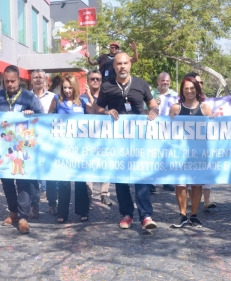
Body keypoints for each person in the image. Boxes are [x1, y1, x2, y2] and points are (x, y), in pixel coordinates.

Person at [93, 53, 160, 230]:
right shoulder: (106, 86)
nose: (122, 66)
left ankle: (146, 216)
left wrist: (154, 111)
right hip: (117, 140)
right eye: (119, 64)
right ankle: (127, 214)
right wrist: (105, 112)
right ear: (113, 66)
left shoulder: (141, 83)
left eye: (125, 63)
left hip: (139, 140)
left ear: (130, 65)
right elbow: (98, 107)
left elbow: (152, 104)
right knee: (121, 179)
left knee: (141, 177)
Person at [0, 65, 42, 234]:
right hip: (3, 148)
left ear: (19, 80)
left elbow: (42, 118)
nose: (10, 84)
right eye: (7, 81)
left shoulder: (29, 97)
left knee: (23, 182)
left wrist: (32, 113)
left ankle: (23, 217)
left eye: (13, 81)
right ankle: (13, 211)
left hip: (23, 148)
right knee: (6, 182)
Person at [169, 77, 213, 228]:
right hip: (180, 154)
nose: (189, 91)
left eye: (192, 88)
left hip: (199, 154)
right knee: (180, 185)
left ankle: (194, 215)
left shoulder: (205, 108)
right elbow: (167, 130)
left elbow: (212, 132)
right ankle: (182, 215)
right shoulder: (176, 108)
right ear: (182, 90)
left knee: (196, 185)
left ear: (197, 89)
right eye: (186, 88)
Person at [48, 74, 91, 222]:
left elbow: (95, 115)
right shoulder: (57, 101)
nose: (67, 91)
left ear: (75, 88)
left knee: (80, 181)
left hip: (79, 148)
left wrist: (90, 96)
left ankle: (83, 211)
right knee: (63, 181)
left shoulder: (83, 102)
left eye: (69, 88)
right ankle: (62, 213)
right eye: (65, 88)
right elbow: (48, 118)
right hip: (62, 148)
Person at [184, 72, 216, 209]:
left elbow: (213, 125)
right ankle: (191, 201)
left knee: (203, 175)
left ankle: (206, 201)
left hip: (202, 148)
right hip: (185, 149)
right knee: (189, 176)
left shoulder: (205, 106)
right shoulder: (177, 106)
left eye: (199, 83)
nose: (198, 86)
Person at [81, 70, 113, 206]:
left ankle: (104, 194)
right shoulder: (82, 97)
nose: (95, 81)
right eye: (92, 79)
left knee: (105, 164)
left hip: (105, 136)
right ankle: (88, 194)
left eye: (98, 79)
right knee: (88, 165)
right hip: (88, 137)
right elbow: (94, 111)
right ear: (88, 81)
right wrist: (89, 95)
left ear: (101, 81)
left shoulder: (107, 97)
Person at [30, 69, 56, 216]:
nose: (38, 79)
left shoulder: (53, 97)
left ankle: (53, 204)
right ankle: (35, 205)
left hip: (49, 140)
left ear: (45, 80)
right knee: (34, 174)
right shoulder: (26, 96)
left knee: (50, 173)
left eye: (40, 77)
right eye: (35, 77)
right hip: (31, 140)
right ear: (31, 80)